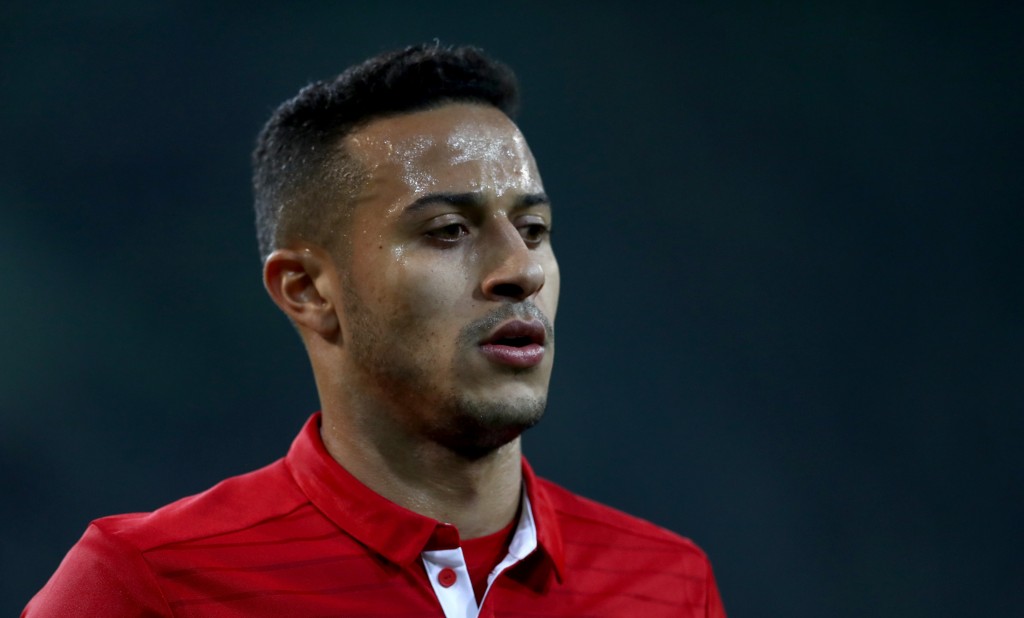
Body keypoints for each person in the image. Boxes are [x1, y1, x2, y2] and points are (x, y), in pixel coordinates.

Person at [24, 44, 727, 617]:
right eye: (448, 231)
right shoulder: (145, 585)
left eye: (535, 229)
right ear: (307, 290)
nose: (521, 270)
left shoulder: (667, 584)